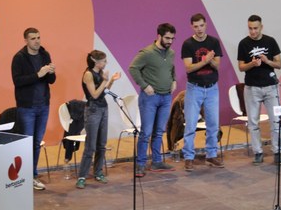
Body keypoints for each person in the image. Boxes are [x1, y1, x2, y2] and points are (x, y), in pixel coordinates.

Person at [128, 22, 177, 177]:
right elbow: (133, 68)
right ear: (159, 36)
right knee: (146, 132)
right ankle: (140, 164)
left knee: (159, 132)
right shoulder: (147, 53)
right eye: (167, 38)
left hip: (166, 97)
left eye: (172, 38)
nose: (170, 41)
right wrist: (144, 85)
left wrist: (174, 80)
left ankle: (156, 161)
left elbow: (171, 68)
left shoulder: (171, 53)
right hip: (150, 98)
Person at [12, 27, 56, 191]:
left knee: (36, 143)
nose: (37, 41)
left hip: (43, 105)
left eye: (38, 37)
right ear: (26, 41)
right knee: (26, 143)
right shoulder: (19, 58)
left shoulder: (45, 54)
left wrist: (51, 72)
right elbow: (17, 81)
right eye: (33, 38)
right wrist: (38, 74)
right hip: (27, 107)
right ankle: (24, 176)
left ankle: (32, 175)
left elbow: (51, 80)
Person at [237, 14, 281, 165]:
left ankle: (278, 152)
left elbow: (279, 64)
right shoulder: (243, 43)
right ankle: (258, 152)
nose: (253, 31)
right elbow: (241, 67)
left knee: (275, 121)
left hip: (271, 87)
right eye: (250, 28)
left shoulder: (270, 41)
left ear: (261, 27)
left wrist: (267, 61)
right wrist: (251, 64)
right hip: (252, 88)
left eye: (255, 28)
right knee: (253, 122)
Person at [180, 13, 224, 172]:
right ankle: (188, 157)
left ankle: (211, 155)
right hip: (194, 88)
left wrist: (210, 60)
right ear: (192, 27)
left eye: (201, 25)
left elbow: (217, 66)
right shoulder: (188, 44)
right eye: (196, 26)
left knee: (213, 124)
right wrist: (206, 60)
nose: (199, 29)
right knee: (190, 125)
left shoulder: (214, 42)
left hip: (212, 88)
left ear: (206, 25)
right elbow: (189, 68)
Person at [76, 50, 121, 189]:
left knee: (101, 144)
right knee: (91, 146)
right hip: (93, 110)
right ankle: (82, 176)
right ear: (95, 61)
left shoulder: (100, 73)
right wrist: (105, 80)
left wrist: (111, 81)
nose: (106, 63)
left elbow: (103, 92)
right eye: (104, 61)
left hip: (103, 108)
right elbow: (94, 95)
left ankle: (98, 172)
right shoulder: (88, 74)